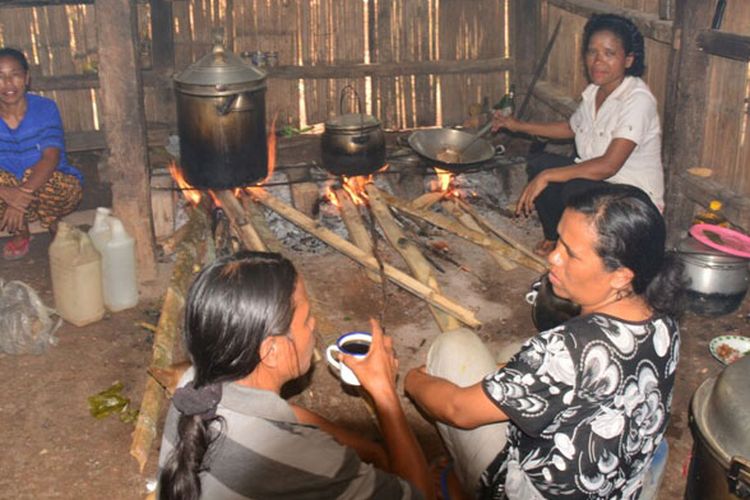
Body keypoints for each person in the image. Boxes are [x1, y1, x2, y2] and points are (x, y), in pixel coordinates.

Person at [404, 184, 684, 499]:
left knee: (453, 346)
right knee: (514, 353)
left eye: (571, 253)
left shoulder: (567, 349)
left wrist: (414, 381)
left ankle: (465, 485)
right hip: (618, 486)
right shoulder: (664, 322)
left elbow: (458, 409)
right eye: (559, 240)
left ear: (620, 275)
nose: (553, 256)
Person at [157, 251, 434, 500]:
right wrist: (384, 394)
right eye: (306, 319)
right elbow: (419, 494)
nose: (314, 325)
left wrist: (371, 451)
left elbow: (281, 414)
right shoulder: (300, 458)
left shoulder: (192, 388)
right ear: (272, 351)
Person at [492, 14, 663, 257]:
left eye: (609, 53)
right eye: (592, 52)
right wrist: (517, 125)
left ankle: (584, 249)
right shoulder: (594, 92)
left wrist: (548, 176)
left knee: (569, 185)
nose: (598, 61)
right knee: (539, 163)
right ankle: (554, 236)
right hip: (597, 181)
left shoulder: (637, 100)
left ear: (628, 60)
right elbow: (571, 128)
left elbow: (608, 166)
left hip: (633, 200)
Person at [0, 47, 82, 260]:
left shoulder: (45, 108)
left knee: (39, 174)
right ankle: (21, 230)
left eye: (15, 75)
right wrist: (8, 194)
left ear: (26, 78)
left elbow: (51, 157)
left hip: (48, 186)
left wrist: (21, 195)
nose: (8, 84)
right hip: (9, 188)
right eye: (0, 77)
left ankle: (53, 224)